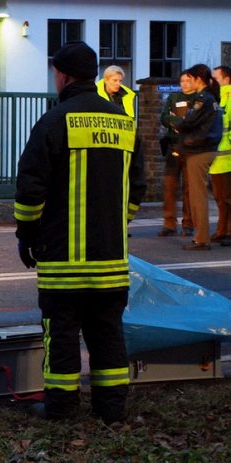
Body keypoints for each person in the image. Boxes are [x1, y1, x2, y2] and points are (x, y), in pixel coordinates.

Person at [14, 41, 146, 423]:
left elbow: (30, 188)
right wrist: (116, 223)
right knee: (108, 335)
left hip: (63, 263)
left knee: (63, 337)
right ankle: (111, 410)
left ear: (63, 75)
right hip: (111, 261)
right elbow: (137, 189)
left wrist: (27, 233)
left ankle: (61, 409)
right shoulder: (124, 122)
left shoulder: (54, 121)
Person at [172, 64, 220, 251]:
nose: (187, 82)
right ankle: (202, 237)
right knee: (196, 195)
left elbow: (190, 121)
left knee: (197, 197)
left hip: (198, 150)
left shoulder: (203, 98)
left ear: (198, 79)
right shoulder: (210, 98)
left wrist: (178, 124)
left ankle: (202, 239)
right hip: (203, 148)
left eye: (190, 78)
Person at [157, 71, 197, 237]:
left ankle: (188, 224)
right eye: (182, 81)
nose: (184, 84)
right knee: (169, 186)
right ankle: (169, 223)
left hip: (191, 148)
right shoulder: (174, 98)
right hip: (173, 145)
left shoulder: (200, 98)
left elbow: (195, 121)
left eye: (188, 81)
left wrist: (180, 123)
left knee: (189, 188)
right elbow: (164, 117)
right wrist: (177, 122)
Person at [209, 65, 231, 246]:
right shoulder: (221, 98)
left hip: (227, 159)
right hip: (219, 159)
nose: (212, 82)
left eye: (215, 79)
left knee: (226, 198)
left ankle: (226, 231)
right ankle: (222, 229)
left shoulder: (229, 98)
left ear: (226, 80)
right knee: (220, 198)